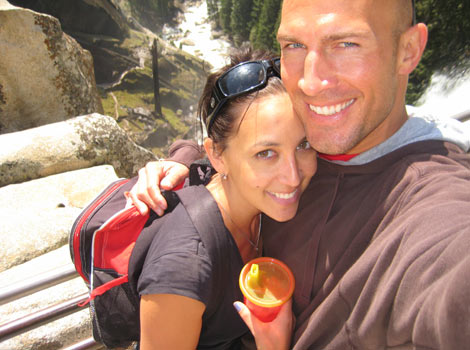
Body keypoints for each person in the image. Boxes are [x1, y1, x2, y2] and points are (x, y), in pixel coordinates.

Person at [130, 0, 470, 348]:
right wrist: (184, 164)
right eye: (294, 45)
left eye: (346, 43)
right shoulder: (323, 132)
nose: (311, 82)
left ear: (408, 50)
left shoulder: (434, 205)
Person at [137, 47, 317, 350]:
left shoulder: (258, 202)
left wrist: (182, 157)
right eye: (266, 153)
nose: (293, 177)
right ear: (217, 156)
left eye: (303, 144)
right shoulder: (184, 269)